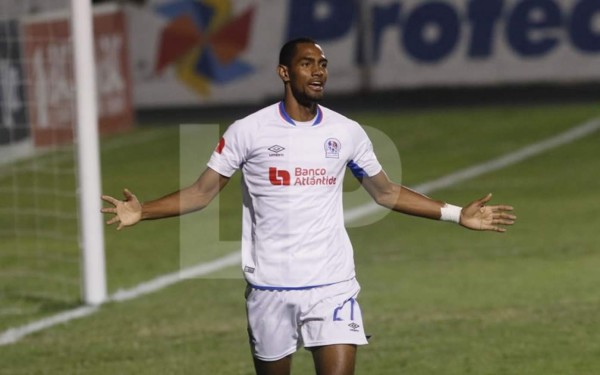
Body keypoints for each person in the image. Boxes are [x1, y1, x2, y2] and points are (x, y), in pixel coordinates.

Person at [101, 37, 516, 375]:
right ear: (284, 72)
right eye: (307, 63)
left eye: (323, 63)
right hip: (270, 289)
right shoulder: (250, 131)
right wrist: (143, 211)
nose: (319, 71)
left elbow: (385, 192)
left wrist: (455, 213)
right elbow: (201, 192)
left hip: (331, 284)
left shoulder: (347, 132)